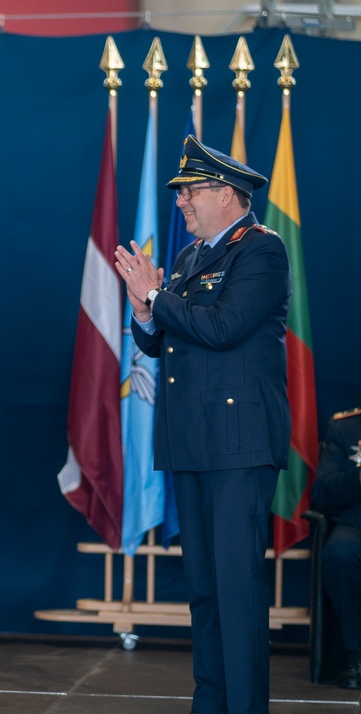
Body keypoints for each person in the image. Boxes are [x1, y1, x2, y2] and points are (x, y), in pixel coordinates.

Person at [114, 135, 291, 714]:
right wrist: (144, 310)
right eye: (183, 192)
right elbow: (163, 341)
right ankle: (211, 704)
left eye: (191, 191)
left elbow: (223, 328)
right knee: (205, 592)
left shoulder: (261, 251)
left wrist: (156, 296)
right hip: (192, 441)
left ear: (228, 194)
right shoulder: (191, 258)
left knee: (237, 592)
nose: (183, 201)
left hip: (239, 447)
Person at [310, 407, 361, 689]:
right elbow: (323, 492)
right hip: (356, 523)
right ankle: (357, 651)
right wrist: (359, 478)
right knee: (340, 554)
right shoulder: (346, 427)